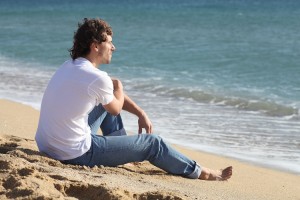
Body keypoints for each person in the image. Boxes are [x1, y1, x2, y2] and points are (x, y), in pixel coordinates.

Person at [35, 18, 232, 181]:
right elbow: (115, 108)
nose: (114, 47)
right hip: (74, 153)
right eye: (109, 42)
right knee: (153, 144)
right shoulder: (97, 78)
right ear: (95, 46)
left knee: (108, 97)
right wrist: (119, 85)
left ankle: (121, 151)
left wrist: (140, 113)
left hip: (47, 145)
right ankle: (201, 172)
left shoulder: (70, 66)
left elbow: (110, 95)